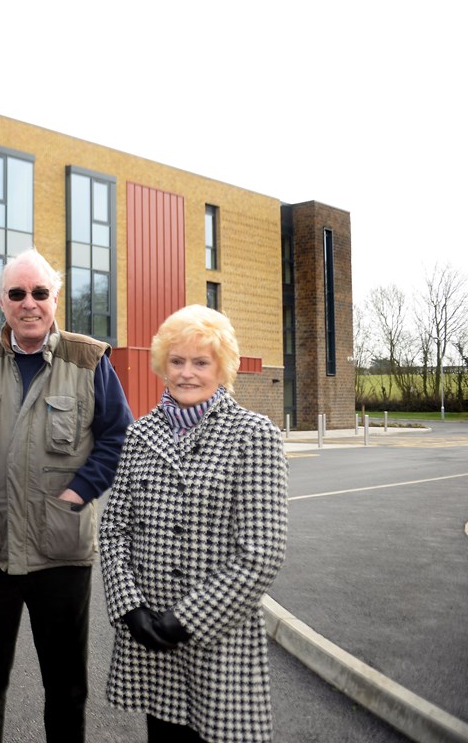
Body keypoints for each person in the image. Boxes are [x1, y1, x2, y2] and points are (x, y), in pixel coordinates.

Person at [0, 248, 133, 742]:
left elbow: (118, 437)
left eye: (40, 293)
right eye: (17, 293)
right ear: (1, 301)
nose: (28, 303)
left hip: (62, 553)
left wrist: (78, 494)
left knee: (66, 688)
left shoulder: (89, 358)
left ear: (56, 298)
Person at [99, 304, 288, 742]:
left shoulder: (253, 435)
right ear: (163, 366)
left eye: (201, 362)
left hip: (217, 639)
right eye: (177, 361)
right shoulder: (140, 435)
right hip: (151, 641)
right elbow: (113, 531)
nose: (187, 373)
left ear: (223, 369)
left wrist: (186, 620)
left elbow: (262, 553)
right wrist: (130, 608)